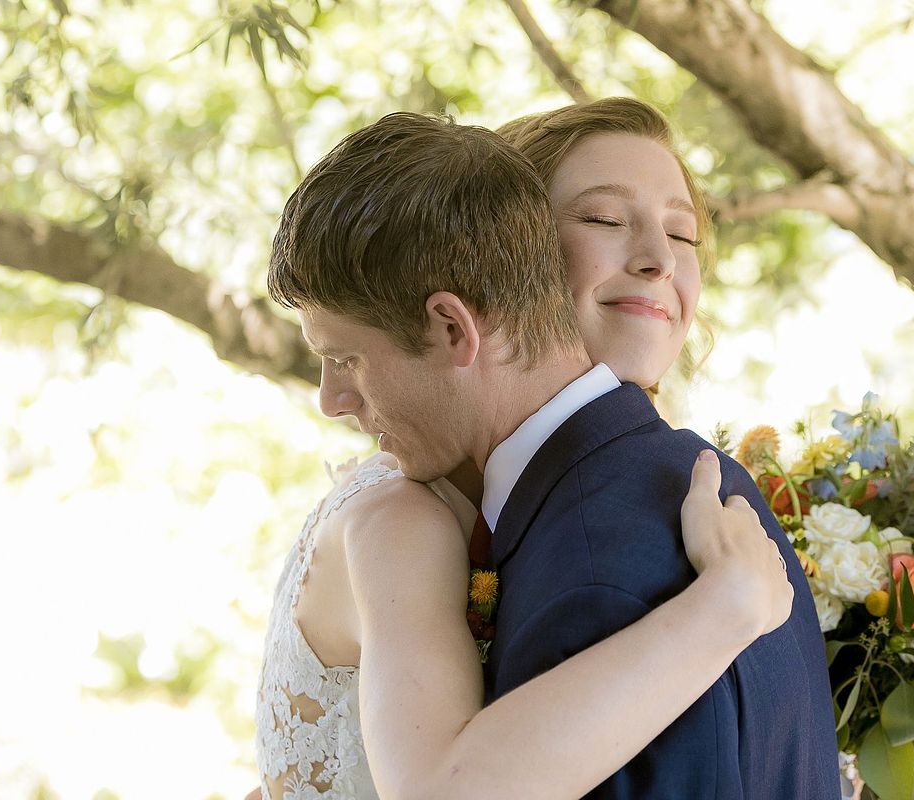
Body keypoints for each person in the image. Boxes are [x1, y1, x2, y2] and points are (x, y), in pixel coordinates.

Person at [255, 99, 836, 798]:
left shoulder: (598, 569)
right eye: (602, 219)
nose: (330, 400)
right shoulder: (706, 491)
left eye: (346, 358)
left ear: (451, 327)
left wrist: (728, 607)